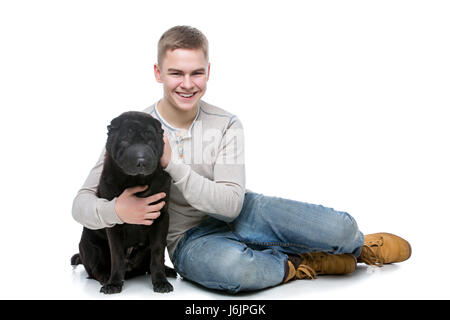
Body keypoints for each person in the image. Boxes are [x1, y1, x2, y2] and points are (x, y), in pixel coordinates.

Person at [72, 25, 411, 294]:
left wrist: (172, 162)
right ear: (159, 73)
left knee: (342, 227)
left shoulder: (226, 123)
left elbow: (231, 206)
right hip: (189, 238)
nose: (187, 84)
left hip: (241, 210)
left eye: (196, 73)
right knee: (238, 270)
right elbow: (80, 204)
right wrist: (116, 211)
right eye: (176, 73)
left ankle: (359, 248)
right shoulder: (133, 131)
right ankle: (306, 261)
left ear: (209, 71)